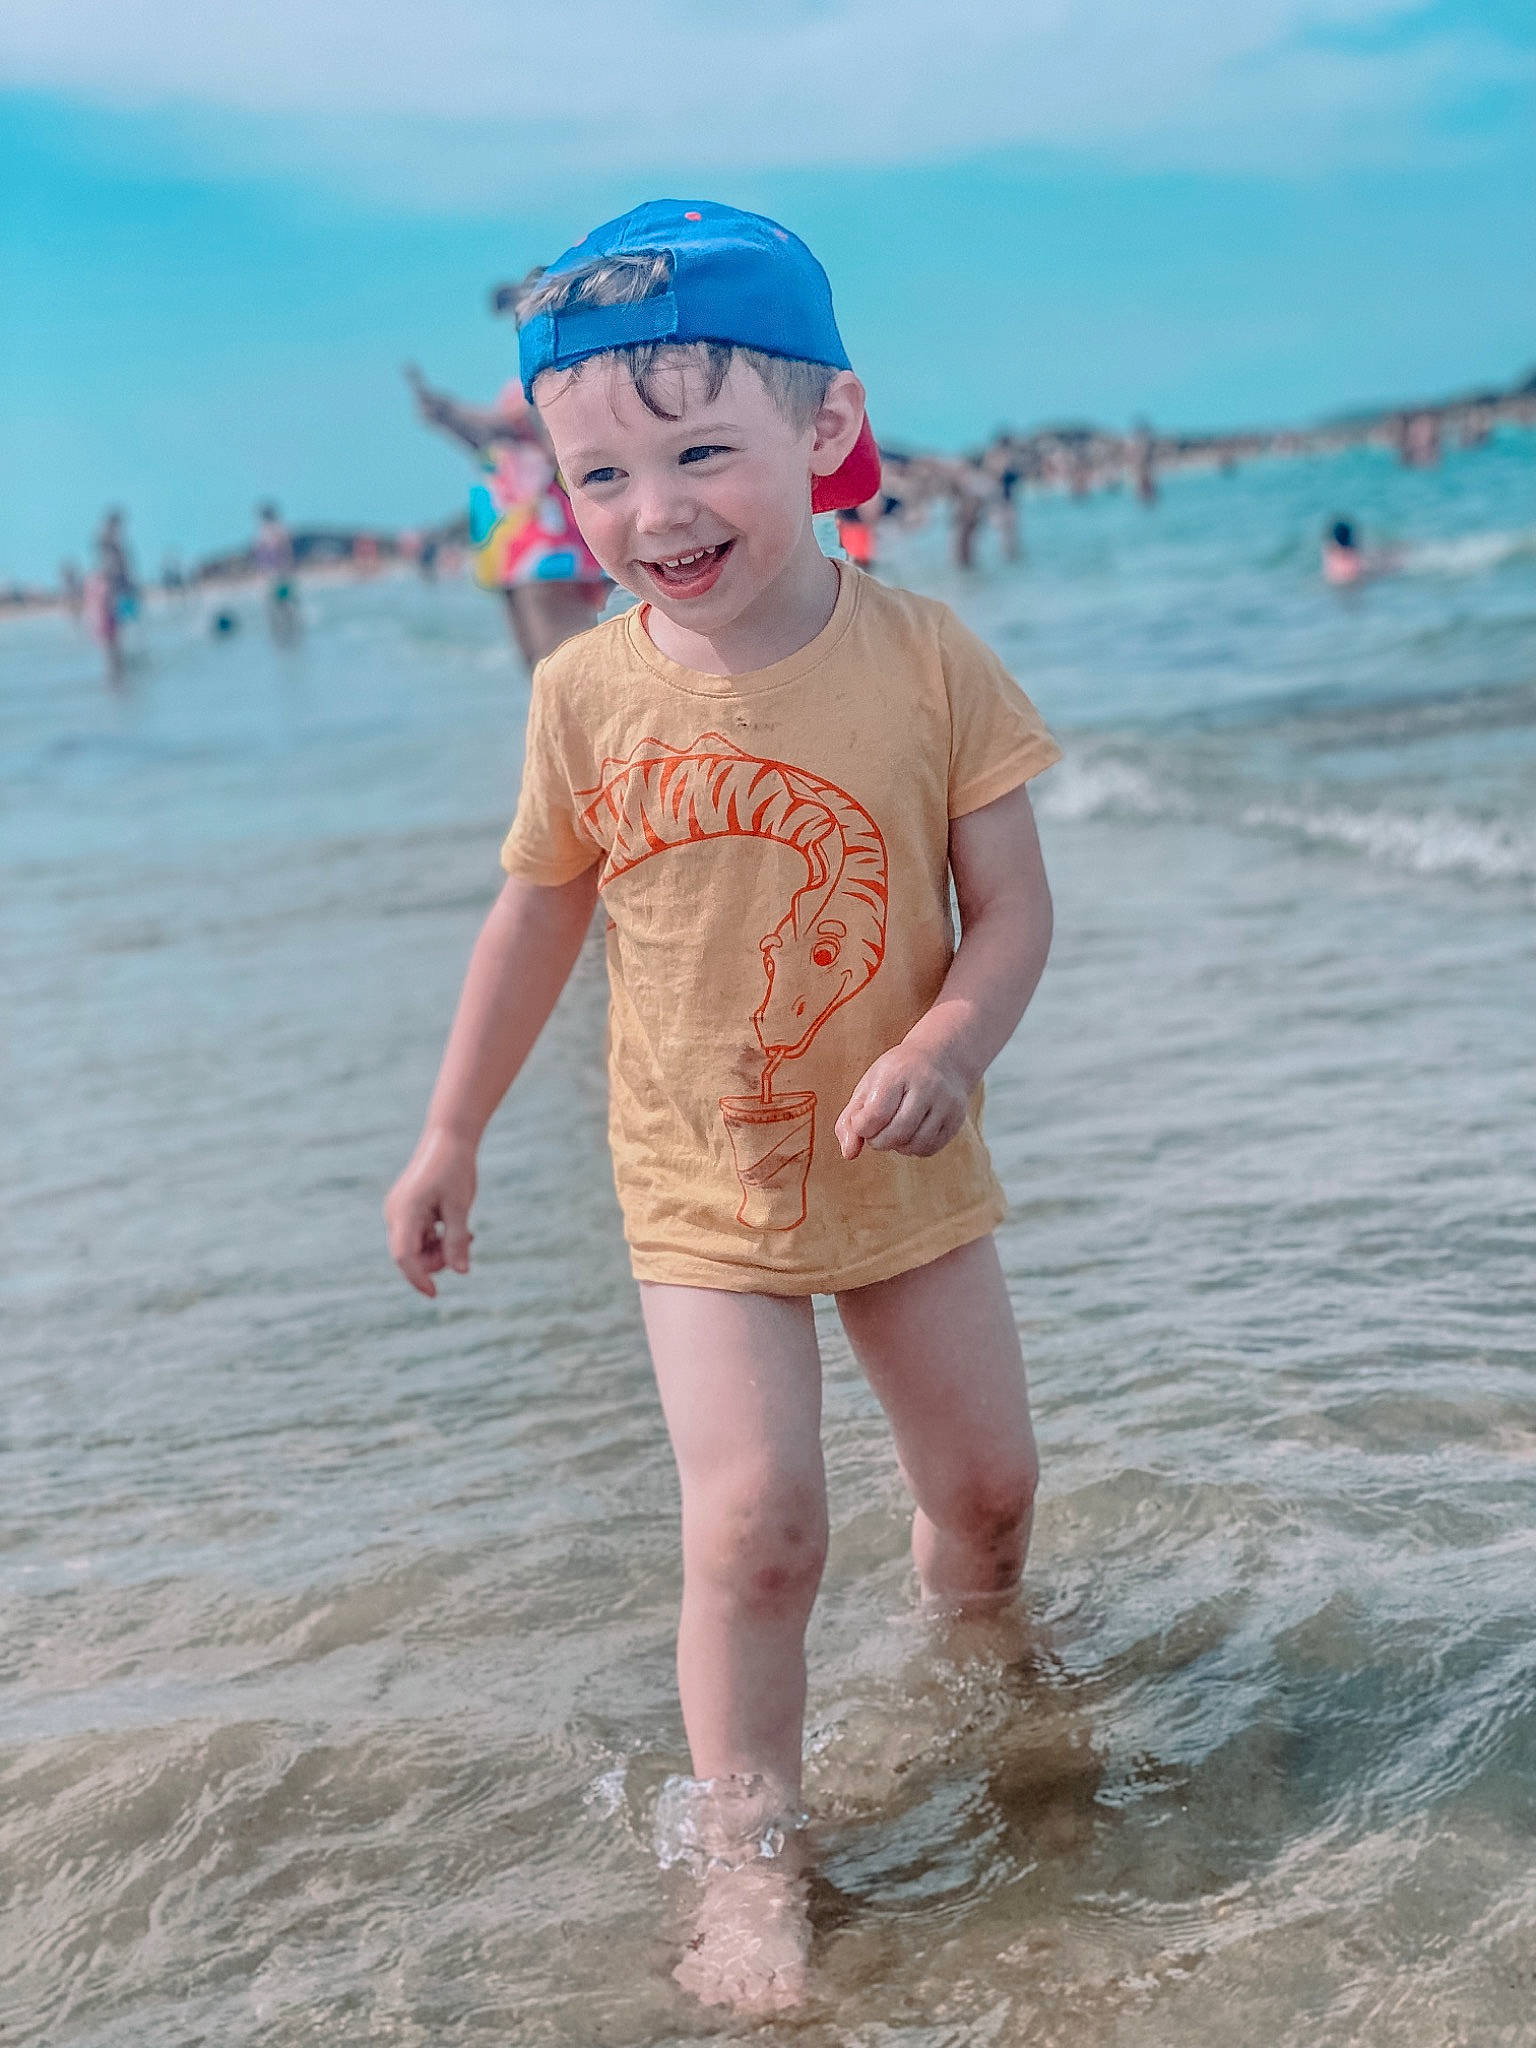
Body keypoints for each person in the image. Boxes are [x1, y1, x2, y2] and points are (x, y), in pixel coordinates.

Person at [384, 201, 1060, 2015]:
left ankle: (985, 1665)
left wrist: (953, 1045)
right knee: (757, 1522)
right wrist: (450, 1132)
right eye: (599, 474)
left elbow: (1012, 907)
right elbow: (535, 917)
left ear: (826, 427)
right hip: (699, 1180)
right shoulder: (584, 694)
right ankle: (751, 1854)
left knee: (988, 1496)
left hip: (902, 1157)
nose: (652, 512)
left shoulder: (926, 657)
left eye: (698, 454)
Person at [407, 360, 607, 667]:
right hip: (516, 568)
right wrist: (439, 408)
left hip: (554, 566)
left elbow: (479, 422)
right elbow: (468, 427)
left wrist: (444, 408)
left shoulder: (552, 443)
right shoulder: (500, 451)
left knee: (564, 663)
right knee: (542, 664)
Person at [86, 508, 137, 686]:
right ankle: (116, 679)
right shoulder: (110, 546)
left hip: (110, 592)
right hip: (109, 593)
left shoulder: (110, 545)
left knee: (115, 640)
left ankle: (117, 679)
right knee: (113, 640)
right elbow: (114, 570)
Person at [253, 502, 300, 642]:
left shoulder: (263, 533)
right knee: (287, 607)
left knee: (278, 608)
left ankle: (282, 638)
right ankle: (290, 635)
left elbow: (262, 557)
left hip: (274, 576)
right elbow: (287, 554)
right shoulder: (278, 530)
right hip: (281, 575)